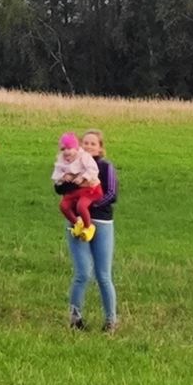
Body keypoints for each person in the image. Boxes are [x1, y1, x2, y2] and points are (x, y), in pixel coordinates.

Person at [59, 129, 119, 333]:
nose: (88, 146)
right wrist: (66, 178)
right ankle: (75, 319)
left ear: (100, 148)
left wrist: (89, 205)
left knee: (103, 275)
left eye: (93, 143)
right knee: (82, 273)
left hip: (101, 224)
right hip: (77, 223)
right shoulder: (72, 164)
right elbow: (60, 190)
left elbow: (111, 194)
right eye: (85, 143)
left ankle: (111, 320)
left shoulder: (105, 167)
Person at [52, 132, 102, 242]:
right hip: (75, 191)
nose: (66, 152)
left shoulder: (83, 157)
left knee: (81, 206)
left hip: (90, 189)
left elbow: (93, 170)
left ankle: (88, 227)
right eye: (63, 149)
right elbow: (56, 178)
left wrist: (83, 177)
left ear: (76, 148)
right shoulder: (61, 161)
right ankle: (78, 223)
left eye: (69, 148)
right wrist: (63, 176)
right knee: (63, 206)